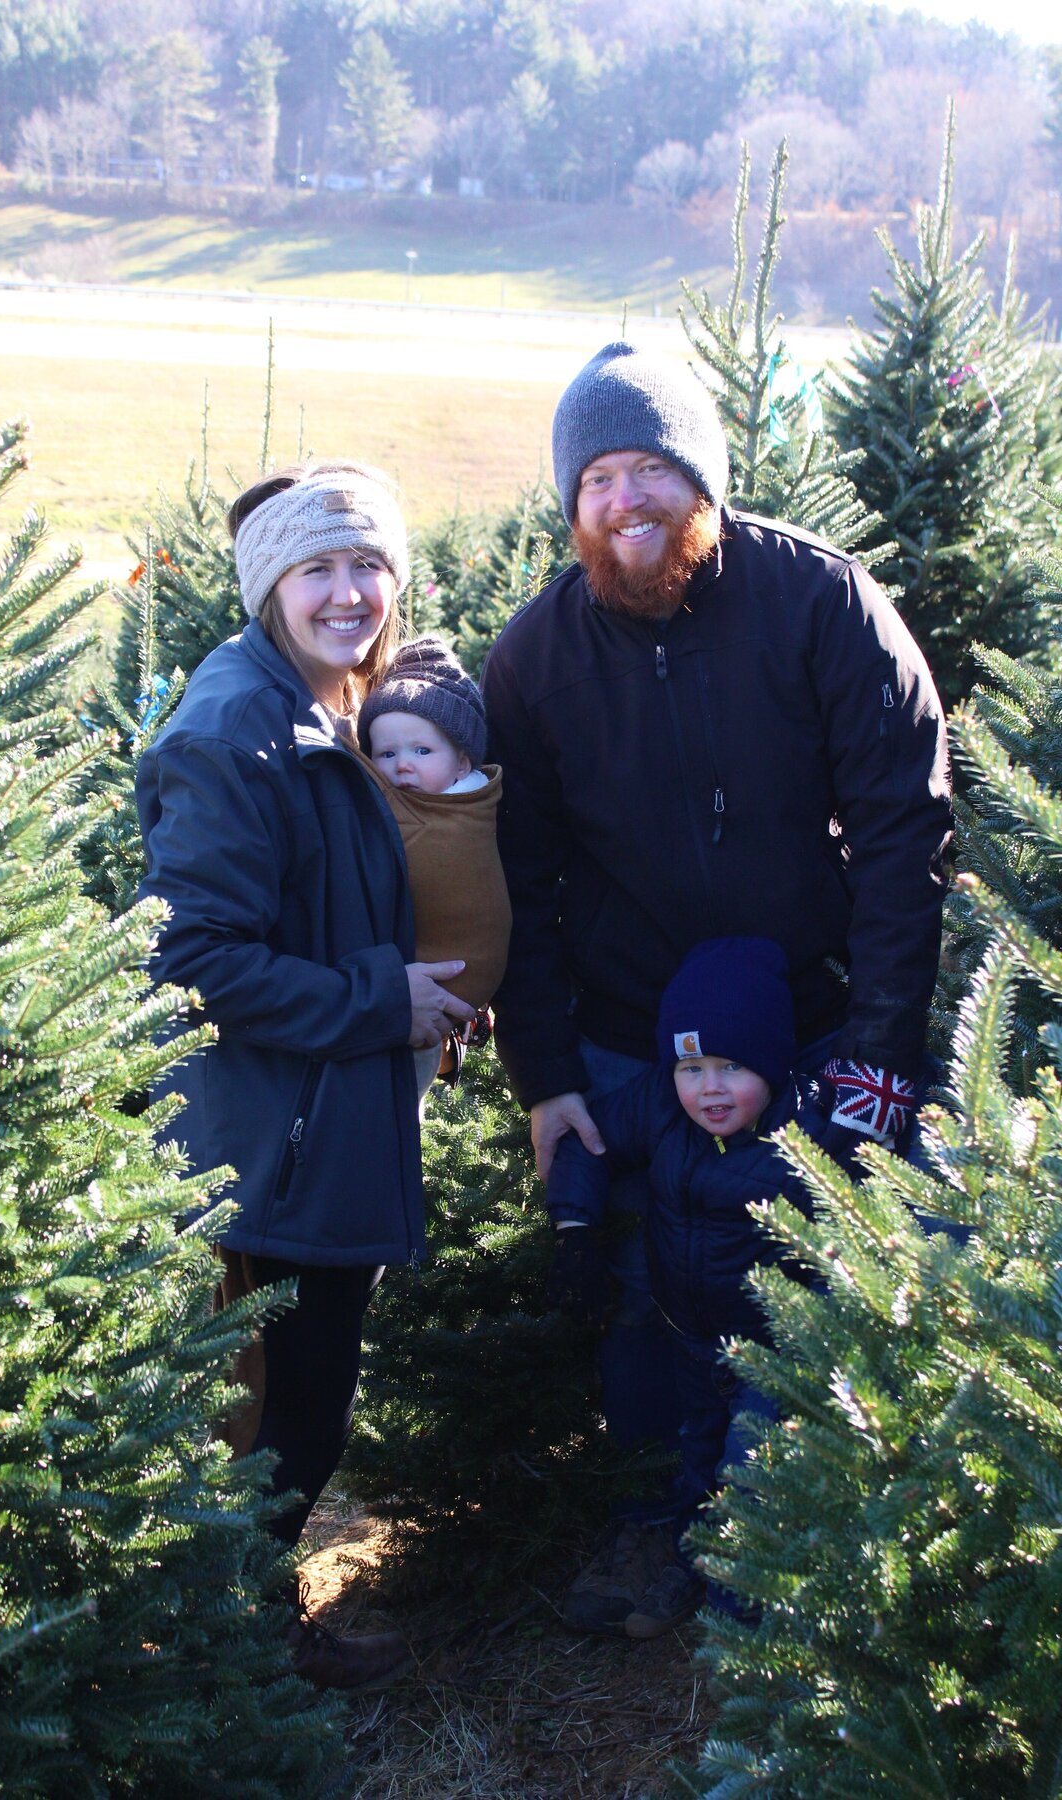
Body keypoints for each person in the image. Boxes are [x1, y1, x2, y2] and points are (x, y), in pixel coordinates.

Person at [481, 341, 952, 1634]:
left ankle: (817, 1550)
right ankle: (650, 1528)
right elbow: (520, 881)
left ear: (705, 484)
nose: (627, 500)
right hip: (641, 1041)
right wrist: (550, 1079)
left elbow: (907, 825)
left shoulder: (819, 601)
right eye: (600, 477)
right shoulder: (535, 659)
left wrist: (876, 1047)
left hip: (813, 1025)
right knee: (651, 1292)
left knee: (819, 1281)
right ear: (571, 502)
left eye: (654, 470)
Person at [135, 459, 474, 1690]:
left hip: (322, 1118)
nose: (349, 593)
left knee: (298, 1405)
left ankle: (245, 1641)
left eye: (368, 565)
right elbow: (191, 957)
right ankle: (234, 1670)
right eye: (318, 569)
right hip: (263, 1138)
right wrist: (382, 1001)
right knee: (284, 1413)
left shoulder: (341, 707)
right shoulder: (237, 727)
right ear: (269, 585)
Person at [547, 937, 832, 1636]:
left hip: (775, 1356)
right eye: (691, 1066)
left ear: (770, 1061)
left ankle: (746, 1630)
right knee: (699, 1461)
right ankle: (694, 1570)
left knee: (752, 1473)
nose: (709, 1087)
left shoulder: (808, 1129)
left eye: (731, 1067)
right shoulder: (661, 1107)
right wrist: (576, 1229)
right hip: (692, 1344)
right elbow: (588, 1138)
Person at [358, 635, 512, 1097]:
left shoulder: (455, 810)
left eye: (421, 752)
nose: (402, 766)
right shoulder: (443, 791)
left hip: (438, 987)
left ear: (463, 760)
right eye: (386, 754)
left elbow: (352, 770)